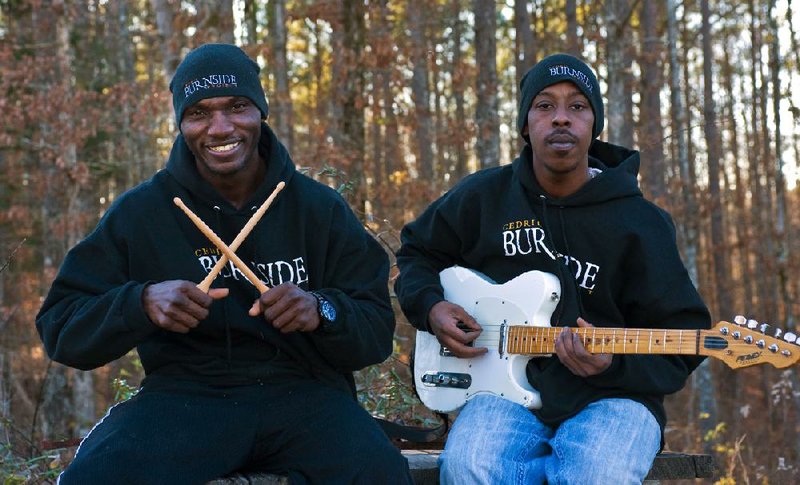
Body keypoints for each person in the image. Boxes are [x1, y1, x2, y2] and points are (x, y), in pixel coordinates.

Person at [36, 43, 412, 485]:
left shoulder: (317, 208)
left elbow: (374, 332)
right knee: (96, 477)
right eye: (199, 113)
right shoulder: (143, 213)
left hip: (307, 396)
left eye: (237, 107)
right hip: (186, 398)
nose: (220, 128)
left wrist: (321, 311)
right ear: (181, 124)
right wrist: (140, 304)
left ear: (260, 113)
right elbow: (61, 327)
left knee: (380, 474)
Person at [394, 53, 711, 484]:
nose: (561, 119)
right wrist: (431, 306)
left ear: (594, 124)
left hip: (615, 398)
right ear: (526, 124)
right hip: (496, 391)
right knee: (470, 464)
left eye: (577, 107)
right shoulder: (483, 197)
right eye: (545, 106)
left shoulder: (641, 223)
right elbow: (417, 252)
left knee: (598, 471)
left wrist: (612, 366)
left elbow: (683, 341)